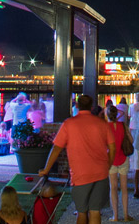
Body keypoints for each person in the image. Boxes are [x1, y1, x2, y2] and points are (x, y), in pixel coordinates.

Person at [39, 94, 114, 224]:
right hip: (101, 173)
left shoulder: (69, 124)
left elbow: (56, 148)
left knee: (81, 212)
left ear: (77, 105)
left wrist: (46, 169)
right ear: (92, 107)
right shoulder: (102, 124)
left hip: (80, 175)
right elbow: (112, 148)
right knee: (95, 212)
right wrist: (108, 164)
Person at [104, 100, 132, 222]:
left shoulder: (105, 128)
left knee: (113, 188)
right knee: (124, 188)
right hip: (123, 158)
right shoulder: (123, 126)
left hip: (111, 160)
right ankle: (126, 214)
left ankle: (115, 216)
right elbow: (131, 139)